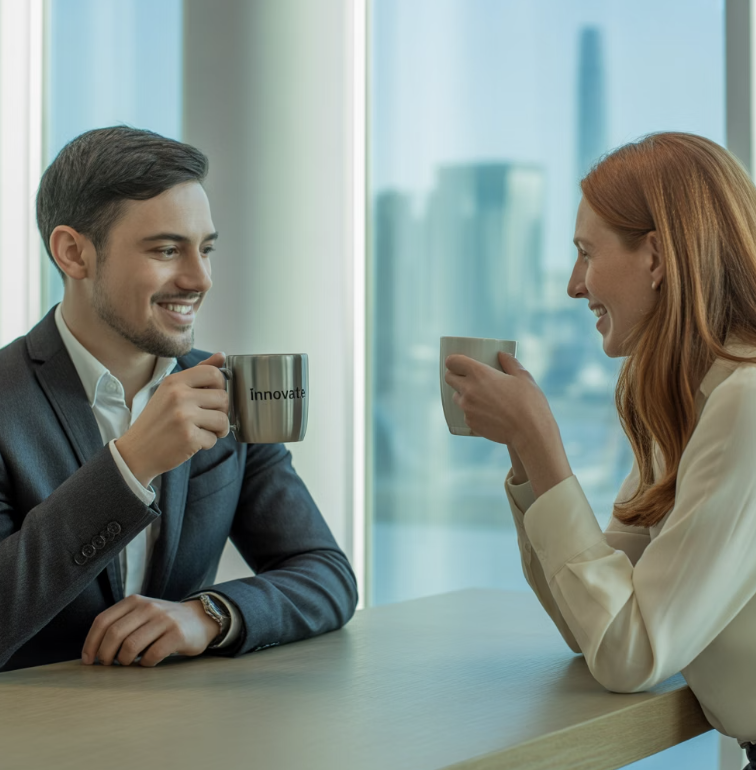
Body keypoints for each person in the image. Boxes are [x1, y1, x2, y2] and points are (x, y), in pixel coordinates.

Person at [444, 132, 756, 762]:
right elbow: (589, 625)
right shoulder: (689, 406)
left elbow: (629, 652)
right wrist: (525, 455)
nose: (572, 284)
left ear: (658, 258)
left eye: (587, 252)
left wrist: (542, 440)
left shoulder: (745, 406)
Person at [0, 126, 357, 672]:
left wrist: (210, 614)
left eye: (206, 249)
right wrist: (131, 464)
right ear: (74, 253)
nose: (200, 278)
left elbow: (325, 574)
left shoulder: (226, 389)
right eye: (167, 249)